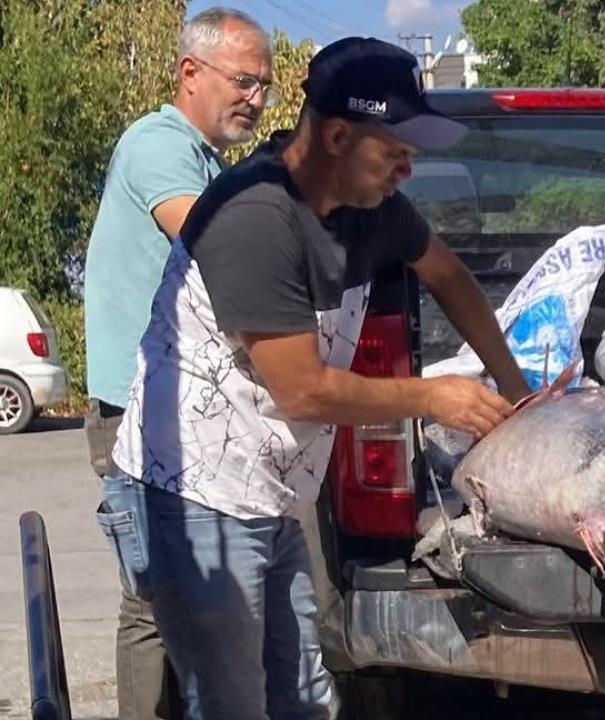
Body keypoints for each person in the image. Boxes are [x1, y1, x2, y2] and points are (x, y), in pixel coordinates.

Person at [95, 37, 531, 719]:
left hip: (269, 494)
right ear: (335, 135)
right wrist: (433, 396)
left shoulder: (371, 208)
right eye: (395, 152)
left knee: (304, 700)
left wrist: (515, 385)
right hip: (196, 500)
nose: (407, 172)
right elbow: (301, 388)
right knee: (234, 706)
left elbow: (447, 274)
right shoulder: (254, 215)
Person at [82, 8, 273, 719]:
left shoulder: (208, 160)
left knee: (183, 594)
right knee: (156, 599)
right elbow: (216, 242)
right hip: (140, 414)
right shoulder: (158, 146)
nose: (255, 99)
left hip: (182, 413)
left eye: (264, 87)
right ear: (190, 73)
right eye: (244, 82)